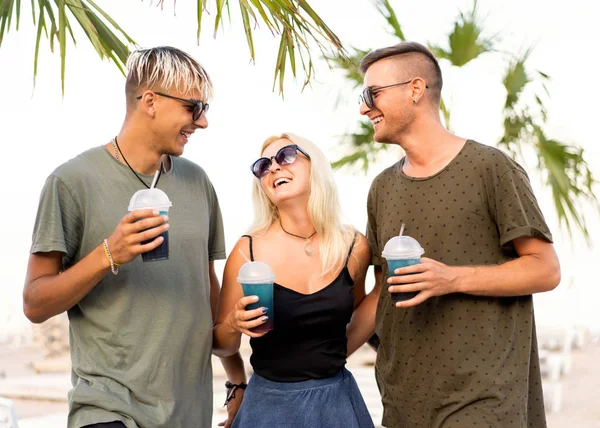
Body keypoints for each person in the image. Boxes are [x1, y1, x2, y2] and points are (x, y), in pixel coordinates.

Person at [23, 46, 246, 428]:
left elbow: (205, 293)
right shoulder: (71, 182)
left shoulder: (198, 182)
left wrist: (237, 379)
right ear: (150, 101)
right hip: (109, 411)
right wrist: (109, 253)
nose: (204, 122)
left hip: (189, 414)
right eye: (194, 108)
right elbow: (35, 303)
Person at [358, 42, 561, 427]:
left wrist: (451, 278)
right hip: (402, 402)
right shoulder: (381, 188)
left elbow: (545, 269)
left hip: (482, 401)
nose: (364, 107)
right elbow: (381, 294)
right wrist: (316, 360)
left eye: (372, 94)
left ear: (415, 89)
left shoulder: (492, 168)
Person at [212, 133, 378, 427]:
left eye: (286, 156)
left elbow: (356, 318)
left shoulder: (353, 246)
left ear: (315, 165)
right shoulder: (247, 251)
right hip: (268, 408)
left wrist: (385, 286)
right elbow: (222, 345)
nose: (274, 168)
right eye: (263, 166)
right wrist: (233, 324)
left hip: (337, 405)